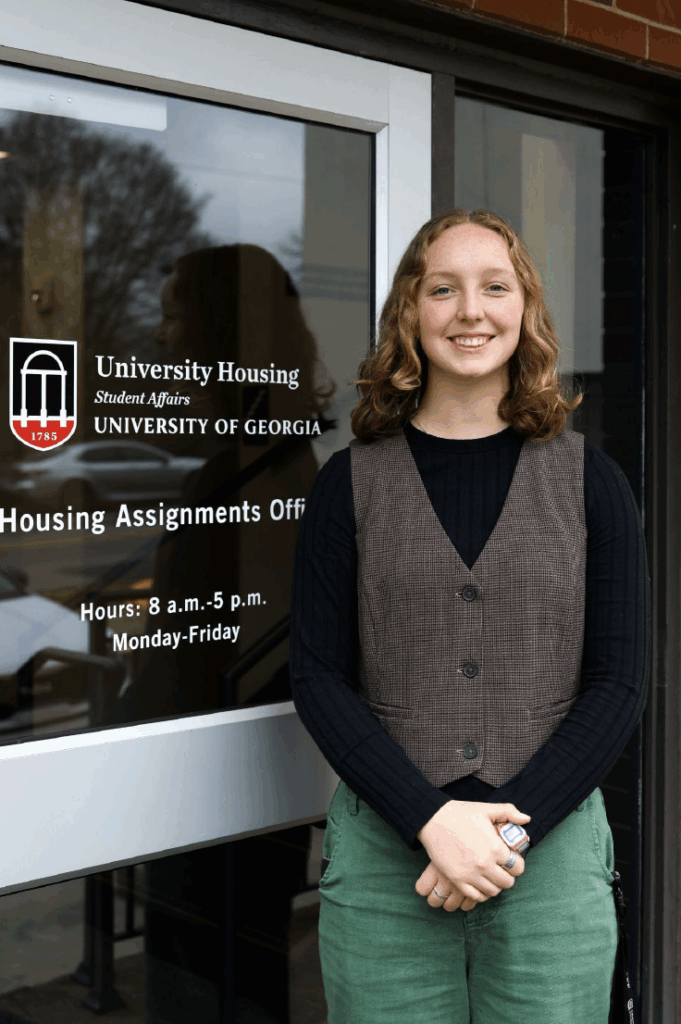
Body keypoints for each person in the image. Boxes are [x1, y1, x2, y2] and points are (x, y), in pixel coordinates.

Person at [289, 208, 651, 1023]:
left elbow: (618, 681)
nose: (469, 311)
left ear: (524, 309)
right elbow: (316, 676)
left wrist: (501, 840)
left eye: (494, 287)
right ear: (410, 313)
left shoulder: (592, 480)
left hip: (550, 867)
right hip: (387, 866)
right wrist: (427, 819)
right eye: (442, 288)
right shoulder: (347, 484)